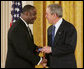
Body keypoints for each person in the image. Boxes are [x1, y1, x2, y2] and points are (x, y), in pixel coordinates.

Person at [40, 4, 77, 68]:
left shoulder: (69, 28)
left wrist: (51, 49)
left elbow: (70, 48)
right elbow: (50, 47)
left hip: (66, 65)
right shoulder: (50, 29)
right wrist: (46, 61)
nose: (45, 16)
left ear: (54, 15)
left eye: (47, 14)